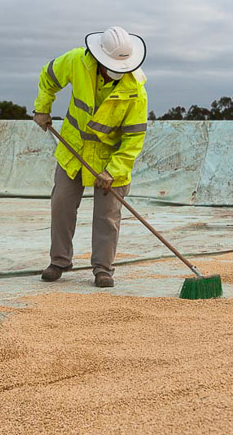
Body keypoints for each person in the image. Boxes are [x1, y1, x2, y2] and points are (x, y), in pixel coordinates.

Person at [33, 26, 148, 288]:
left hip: (110, 159)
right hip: (73, 149)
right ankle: (59, 261)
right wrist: (42, 108)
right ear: (99, 57)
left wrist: (113, 171)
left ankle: (103, 269)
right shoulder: (76, 61)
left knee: (108, 215)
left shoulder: (136, 91)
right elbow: (48, 76)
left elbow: (133, 139)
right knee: (61, 204)